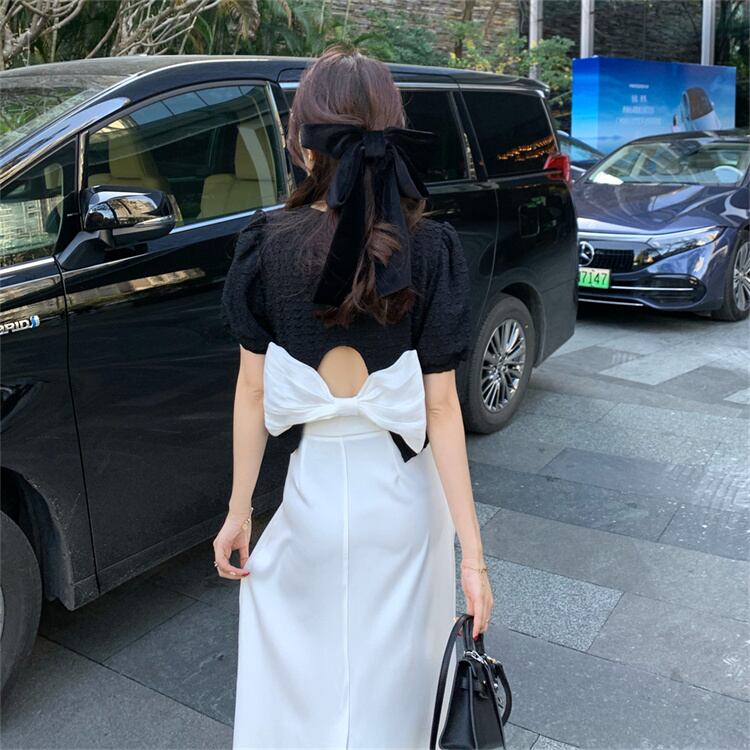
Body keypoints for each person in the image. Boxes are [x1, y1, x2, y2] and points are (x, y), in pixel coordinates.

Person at [213, 44, 494, 750]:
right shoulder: (431, 248)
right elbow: (441, 409)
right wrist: (473, 557)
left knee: (297, 684)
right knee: (398, 691)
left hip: (312, 504)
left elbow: (252, 391)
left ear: (304, 143)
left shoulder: (265, 245)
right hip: (405, 506)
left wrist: (239, 513)